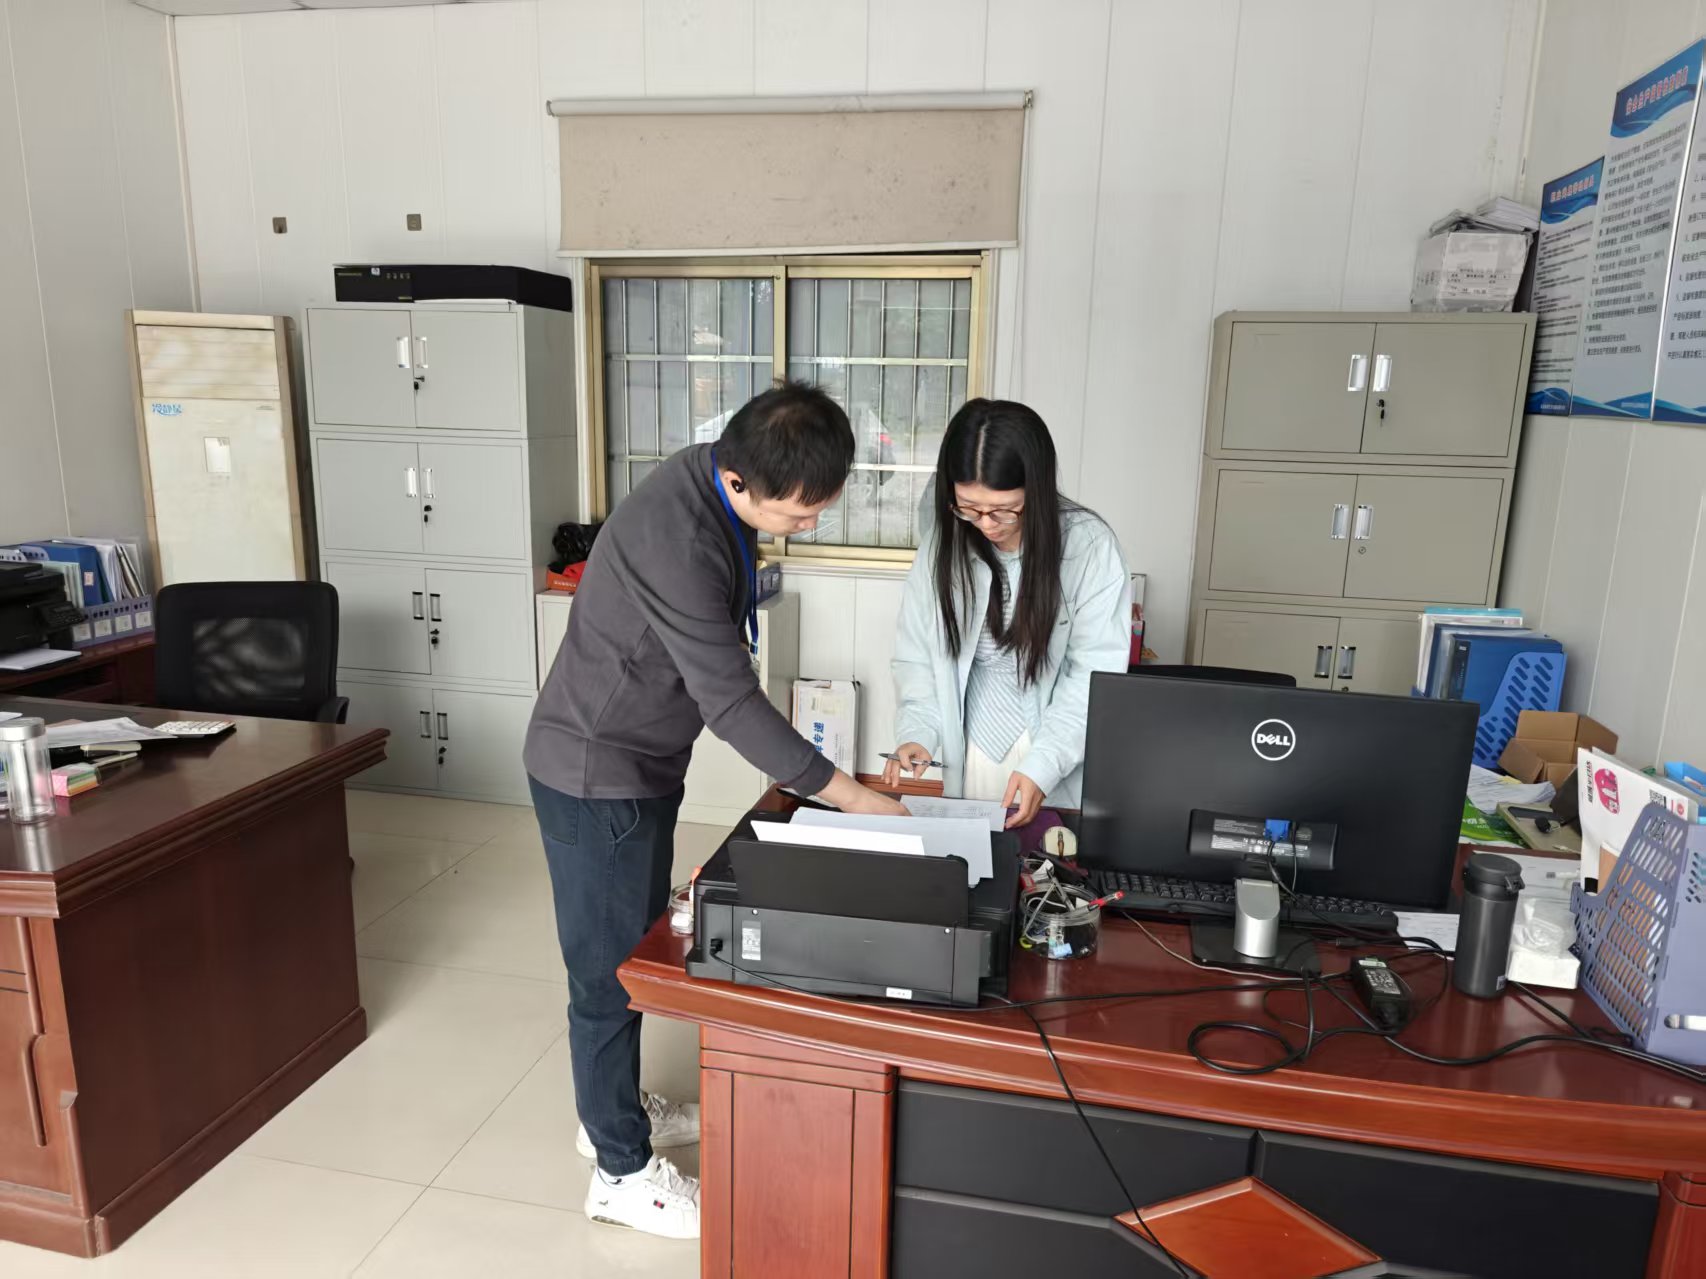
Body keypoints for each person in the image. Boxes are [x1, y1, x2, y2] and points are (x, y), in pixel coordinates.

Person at [524, 382, 906, 1239]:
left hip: (638, 763)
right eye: (800, 513)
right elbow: (731, 702)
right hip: (596, 774)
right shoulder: (682, 538)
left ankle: (611, 1109)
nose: (810, 523)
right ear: (739, 480)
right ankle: (619, 1170)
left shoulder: (711, 480)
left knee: (630, 948)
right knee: (607, 975)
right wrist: (848, 793)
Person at [885, 399, 1130, 828]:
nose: (986, 524)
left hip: (1054, 748)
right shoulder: (942, 546)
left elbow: (1092, 675)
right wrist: (918, 731)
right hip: (972, 748)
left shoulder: (1089, 547)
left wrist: (1044, 763)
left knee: (1047, 861)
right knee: (974, 859)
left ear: (1037, 489)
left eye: (1004, 509)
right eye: (968, 507)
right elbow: (917, 655)